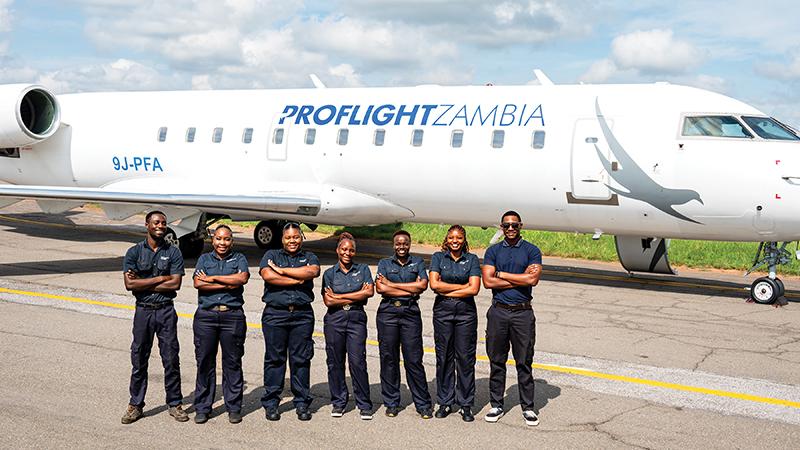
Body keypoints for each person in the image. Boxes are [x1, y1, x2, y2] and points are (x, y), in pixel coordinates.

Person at [120, 210, 188, 424]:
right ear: (147, 225)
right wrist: (160, 278)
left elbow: (175, 283)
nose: (161, 225)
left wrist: (143, 281)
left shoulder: (174, 252)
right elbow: (129, 284)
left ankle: (175, 403)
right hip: (143, 311)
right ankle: (135, 405)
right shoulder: (134, 252)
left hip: (166, 310)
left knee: (171, 358)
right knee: (139, 358)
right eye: (156, 222)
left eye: (164, 223)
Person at [481, 211, 543, 426]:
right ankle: (496, 404)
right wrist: (521, 279)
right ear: (501, 226)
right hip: (498, 312)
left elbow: (533, 280)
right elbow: (487, 283)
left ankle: (528, 407)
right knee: (497, 360)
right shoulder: (493, 251)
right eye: (506, 225)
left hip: (522, 313)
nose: (510, 229)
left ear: (520, 226)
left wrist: (501, 274)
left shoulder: (531, 250)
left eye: (514, 225)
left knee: (524, 361)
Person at [259, 222, 320, 421]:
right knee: (275, 359)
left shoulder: (310, 256)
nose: (292, 241)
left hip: (302, 315)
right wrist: (296, 279)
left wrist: (283, 271)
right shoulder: (271, 256)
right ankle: (271, 403)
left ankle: (302, 403)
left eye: (296, 237)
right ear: (282, 239)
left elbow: (312, 272)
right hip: (275, 315)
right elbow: (269, 276)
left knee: (301, 360)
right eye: (288, 237)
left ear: (301, 237)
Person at [192, 225, 250, 424]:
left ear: (231, 241)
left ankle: (233, 407)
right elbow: (199, 284)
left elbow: (241, 278)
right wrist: (228, 283)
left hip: (232, 316)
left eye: (226, 239)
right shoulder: (204, 259)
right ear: (213, 240)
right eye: (218, 239)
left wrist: (213, 278)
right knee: (205, 362)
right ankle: (203, 407)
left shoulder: (239, 259)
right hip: (206, 316)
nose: (222, 243)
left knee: (232, 362)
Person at [375, 230, 434, 419]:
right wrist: (410, 287)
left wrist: (392, 285)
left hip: (410, 313)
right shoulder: (384, 263)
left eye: (405, 243)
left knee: (414, 359)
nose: (402, 246)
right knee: (389, 358)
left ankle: (423, 404)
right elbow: (380, 288)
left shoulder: (417, 262)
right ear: (394, 245)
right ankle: (392, 403)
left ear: (409, 244)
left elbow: (422, 286)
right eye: (398, 243)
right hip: (388, 313)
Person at [428, 225, 481, 422]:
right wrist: (462, 287)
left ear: (464, 239)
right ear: (447, 239)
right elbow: (434, 285)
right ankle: (445, 401)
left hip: (466, 313)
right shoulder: (438, 257)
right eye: (451, 237)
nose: (455, 240)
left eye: (459, 237)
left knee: (465, 359)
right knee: (444, 357)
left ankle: (466, 404)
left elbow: (474, 289)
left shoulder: (472, 259)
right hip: (443, 311)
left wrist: (446, 289)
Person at [321, 232, 375, 419]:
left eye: (351, 250)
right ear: (337, 250)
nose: (347, 253)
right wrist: (355, 294)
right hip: (335, 319)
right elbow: (328, 301)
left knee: (357, 362)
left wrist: (339, 297)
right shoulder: (329, 273)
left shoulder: (363, 269)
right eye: (344, 249)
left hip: (356, 319)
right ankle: (338, 401)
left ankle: (364, 404)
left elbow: (369, 293)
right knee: (335, 362)